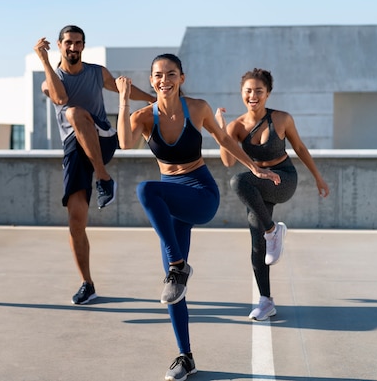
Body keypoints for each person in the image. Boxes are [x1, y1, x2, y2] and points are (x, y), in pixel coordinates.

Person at [115, 54, 280, 381]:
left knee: (147, 190)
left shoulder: (198, 108)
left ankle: (178, 267)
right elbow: (123, 142)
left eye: (171, 74)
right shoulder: (145, 117)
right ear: (151, 80)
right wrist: (122, 100)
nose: (165, 80)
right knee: (172, 290)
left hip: (201, 195)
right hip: (171, 200)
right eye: (159, 75)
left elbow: (224, 140)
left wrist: (254, 167)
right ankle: (185, 356)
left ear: (182, 78)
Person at [33, 25, 155, 305]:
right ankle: (87, 283)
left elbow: (122, 88)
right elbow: (60, 97)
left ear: (83, 46)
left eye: (78, 43)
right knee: (76, 222)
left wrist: (153, 99)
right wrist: (43, 60)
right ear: (60, 46)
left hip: (103, 138)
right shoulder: (50, 79)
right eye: (68, 43)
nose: (73, 48)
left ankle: (103, 178)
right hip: (74, 150)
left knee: (75, 112)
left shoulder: (96, 72)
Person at [215, 68, 329, 321]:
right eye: (248, 91)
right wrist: (222, 132)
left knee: (238, 182)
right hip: (256, 185)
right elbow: (227, 161)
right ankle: (266, 301)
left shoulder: (281, 119)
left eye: (258, 91)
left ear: (268, 93)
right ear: (241, 94)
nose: (253, 95)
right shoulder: (235, 126)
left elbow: (299, 147)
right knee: (257, 244)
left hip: (283, 179)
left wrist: (318, 178)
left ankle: (272, 231)